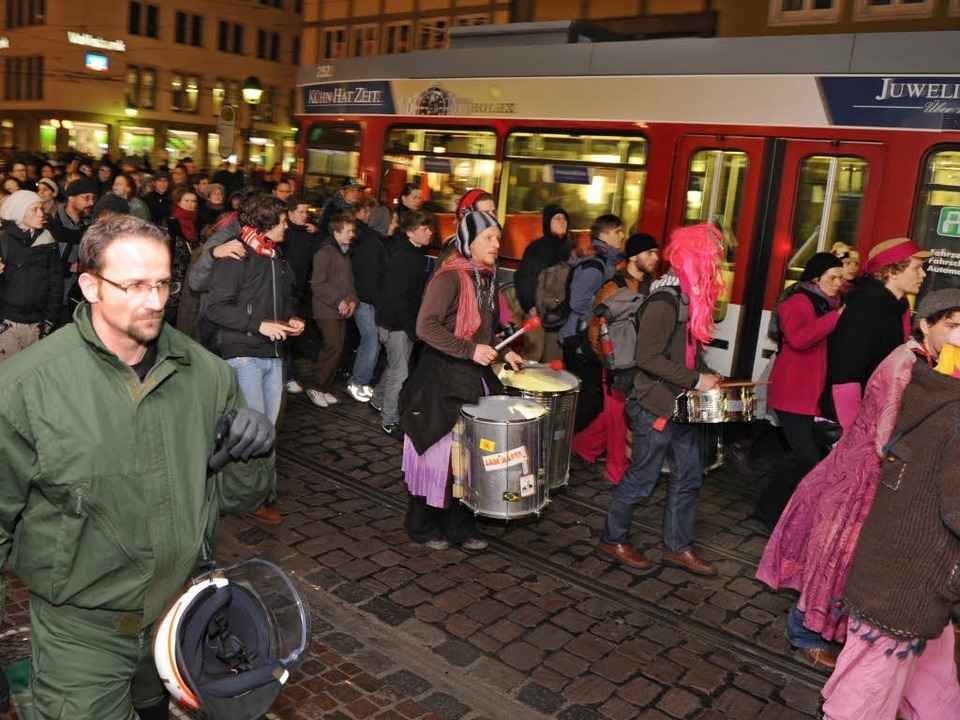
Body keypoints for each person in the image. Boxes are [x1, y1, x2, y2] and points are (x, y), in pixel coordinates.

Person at [0, 213, 275, 720]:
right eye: (132, 285)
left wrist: (251, 449)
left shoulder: (207, 375)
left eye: (162, 283)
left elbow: (239, 498)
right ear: (89, 285)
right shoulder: (25, 386)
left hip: (177, 619)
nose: (153, 301)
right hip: (80, 631)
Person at [757, 289, 960, 670]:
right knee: (836, 556)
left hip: (874, 472)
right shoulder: (907, 362)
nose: (958, 335)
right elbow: (888, 434)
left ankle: (833, 630)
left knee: (845, 560)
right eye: (952, 325)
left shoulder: (931, 362)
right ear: (925, 325)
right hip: (864, 474)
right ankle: (805, 632)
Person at [820, 356, 960, 719]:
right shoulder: (955, 414)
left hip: (903, 575)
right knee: (867, 691)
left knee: (931, 677)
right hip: (908, 587)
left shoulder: (933, 393)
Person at [598, 224, 724, 577]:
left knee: (689, 477)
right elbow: (648, 358)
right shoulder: (663, 301)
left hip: (681, 405)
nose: (715, 269)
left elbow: (685, 355)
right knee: (643, 478)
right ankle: (613, 538)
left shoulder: (689, 301)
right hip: (655, 403)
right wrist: (698, 379)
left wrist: (706, 375)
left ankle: (677, 548)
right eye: (711, 260)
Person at [399, 210, 523, 550]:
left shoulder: (486, 276)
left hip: (471, 378)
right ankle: (422, 526)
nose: (497, 244)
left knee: (467, 458)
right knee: (438, 456)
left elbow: (486, 329)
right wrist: (470, 350)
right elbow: (426, 328)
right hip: (439, 380)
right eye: (489, 238)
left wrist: (504, 350)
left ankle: (460, 525)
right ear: (469, 242)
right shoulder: (449, 278)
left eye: (498, 238)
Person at [205, 194, 302, 527]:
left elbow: (282, 301)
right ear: (268, 221)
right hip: (243, 352)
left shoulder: (275, 256)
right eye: (283, 220)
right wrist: (257, 325)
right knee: (251, 430)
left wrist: (291, 319)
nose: (287, 225)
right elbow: (216, 308)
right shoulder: (235, 254)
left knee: (268, 430)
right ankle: (240, 494)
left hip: (272, 354)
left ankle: (258, 493)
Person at [755, 253, 846, 528]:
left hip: (811, 394)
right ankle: (769, 509)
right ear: (816, 279)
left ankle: (777, 508)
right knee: (806, 457)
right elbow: (799, 339)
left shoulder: (829, 302)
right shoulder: (797, 302)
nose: (839, 283)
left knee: (801, 454)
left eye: (840, 277)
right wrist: (835, 318)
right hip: (792, 393)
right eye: (833, 277)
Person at [572, 232, 660, 484]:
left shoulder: (654, 286)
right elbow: (596, 330)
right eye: (650, 253)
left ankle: (583, 446)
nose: (656, 257)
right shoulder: (613, 288)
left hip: (643, 364)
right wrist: (609, 363)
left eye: (656, 252)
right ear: (634, 256)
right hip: (617, 366)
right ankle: (616, 472)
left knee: (617, 415)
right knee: (619, 417)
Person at [825, 237, 929, 432]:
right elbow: (845, 373)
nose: (923, 275)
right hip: (854, 418)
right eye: (916, 268)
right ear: (892, 271)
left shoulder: (898, 306)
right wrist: (853, 429)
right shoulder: (865, 307)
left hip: (877, 413)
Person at [560, 214, 625, 431]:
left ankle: (569, 440)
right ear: (604, 235)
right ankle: (566, 440)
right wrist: (603, 307)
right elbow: (578, 302)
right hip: (577, 337)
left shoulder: (605, 261)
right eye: (618, 232)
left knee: (586, 394)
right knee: (589, 396)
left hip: (582, 335)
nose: (622, 236)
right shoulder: (595, 266)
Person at [372, 209, 432, 437]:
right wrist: (412, 328)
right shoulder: (404, 257)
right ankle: (389, 420)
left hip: (400, 322)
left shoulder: (414, 253)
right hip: (395, 324)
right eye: (424, 229)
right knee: (400, 372)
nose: (429, 233)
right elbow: (397, 298)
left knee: (395, 366)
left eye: (429, 228)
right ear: (410, 232)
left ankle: (377, 398)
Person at [0, 190, 61, 359]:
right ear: (20, 212)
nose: (41, 214)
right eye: (34, 209)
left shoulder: (48, 241)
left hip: (37, 324)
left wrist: (49, 320)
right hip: (8, 324)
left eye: (41, 208)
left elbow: (55, 282)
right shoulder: (3, 240)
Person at [305, 212, 357, 408]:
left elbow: (350, 283)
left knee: (338, 349)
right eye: (349, 231)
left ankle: (324, 387)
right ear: (336, 231)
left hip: (341, 309)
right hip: (326, 310)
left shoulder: (344, 252)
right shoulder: (325, 252)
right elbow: (317, 284)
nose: (352, 234)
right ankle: (316, 387)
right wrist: (339, 301)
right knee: (332, 347)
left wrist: (352, 301)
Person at [514, 204, 573, 363]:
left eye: (564, 218)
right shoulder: (537, 248)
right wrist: (530, 306)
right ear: (547, 222)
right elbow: (524, 278)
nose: (562, 221)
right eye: (557, 218)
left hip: (559, 315)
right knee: (534, 354)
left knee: (553, 360)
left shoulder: (570, 248)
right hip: (537, 313)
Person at [347, 196, 387, 403]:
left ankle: (358, 379)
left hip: (360, 296)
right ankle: (358, 381)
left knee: (368, 340)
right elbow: (371, 275)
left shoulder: (364, 238)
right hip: (365, 299)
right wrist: (376, 300)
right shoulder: (373, 243)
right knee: (371, 340)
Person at [47, 177, 96, 313]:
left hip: (76, 294)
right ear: (71, 198)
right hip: (53, 293)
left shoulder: (89, 222)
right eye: (86, 198)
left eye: (93, 198)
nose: (91, 202)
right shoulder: (52, 221)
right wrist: (68, 267)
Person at [166, 188, 200, 327]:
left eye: (193, 201)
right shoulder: (171, 222)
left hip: (188, 274)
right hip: (173, 275)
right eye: (186, 201)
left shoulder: (194, 223)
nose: (190, 204)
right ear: (178, 202)